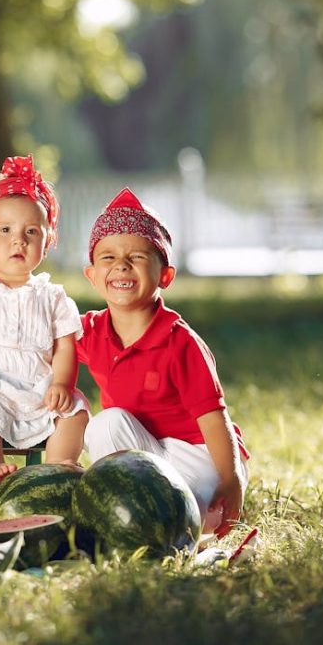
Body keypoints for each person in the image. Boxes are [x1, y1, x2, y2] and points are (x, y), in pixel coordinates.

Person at [78, 188, 249, 536]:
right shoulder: (89, 331)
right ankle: (132, 524)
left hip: (199, 456)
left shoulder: (179, 341)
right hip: (147, 452)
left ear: (165, 276)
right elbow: (39, 342)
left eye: (137, 257)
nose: (121, 265)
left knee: (184, 521)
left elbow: (215, 419)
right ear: (92, 275)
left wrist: (231, 480)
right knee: (103, 426)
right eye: (107, 258)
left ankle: (183, 522)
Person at [0, 155, 90, 488]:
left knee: (77, 410)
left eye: (32, 231)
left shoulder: (53, 296)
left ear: (48, 241)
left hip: (39, 388)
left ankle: (60, 468)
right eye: (5, 230)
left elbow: (65, 347)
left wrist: (61, 383)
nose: (19, 239)